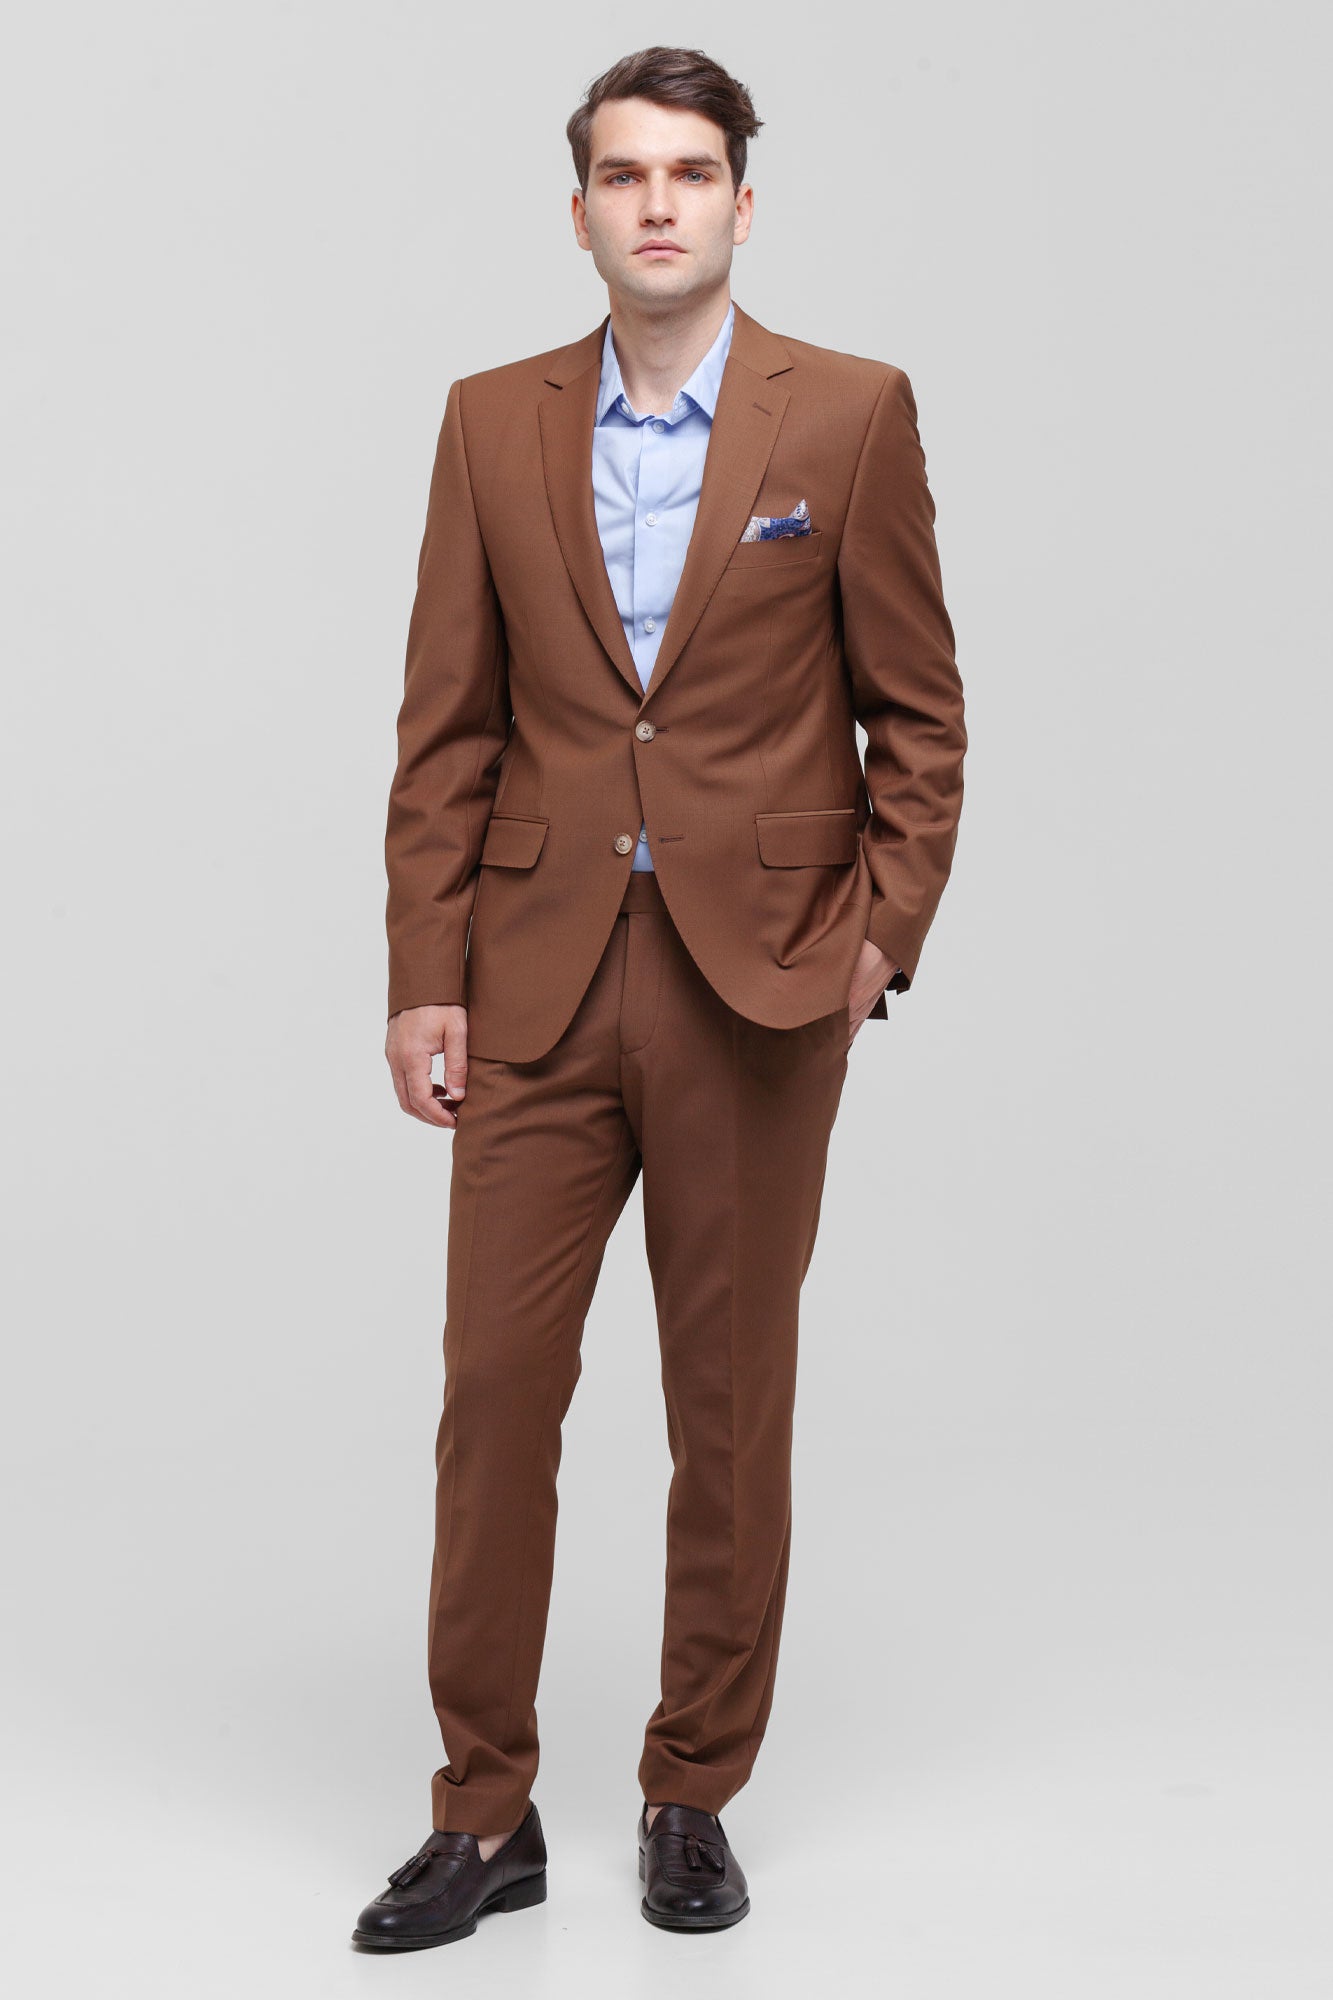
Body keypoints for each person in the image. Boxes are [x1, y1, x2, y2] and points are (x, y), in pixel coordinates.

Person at [354, 42, 967, 1951]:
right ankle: (482, 1816)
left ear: (740, 205)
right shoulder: (490, 421)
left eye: (689, 173)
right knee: (493, 1399)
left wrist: (874, 940)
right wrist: (422, 976)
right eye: (624, 175)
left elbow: (919, 716)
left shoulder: (844, 414)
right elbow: (445, 731)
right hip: (530, 983)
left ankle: (690, 1789)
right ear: (580, 212)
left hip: (755, 990)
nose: (657, 204)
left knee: (727, 1400)